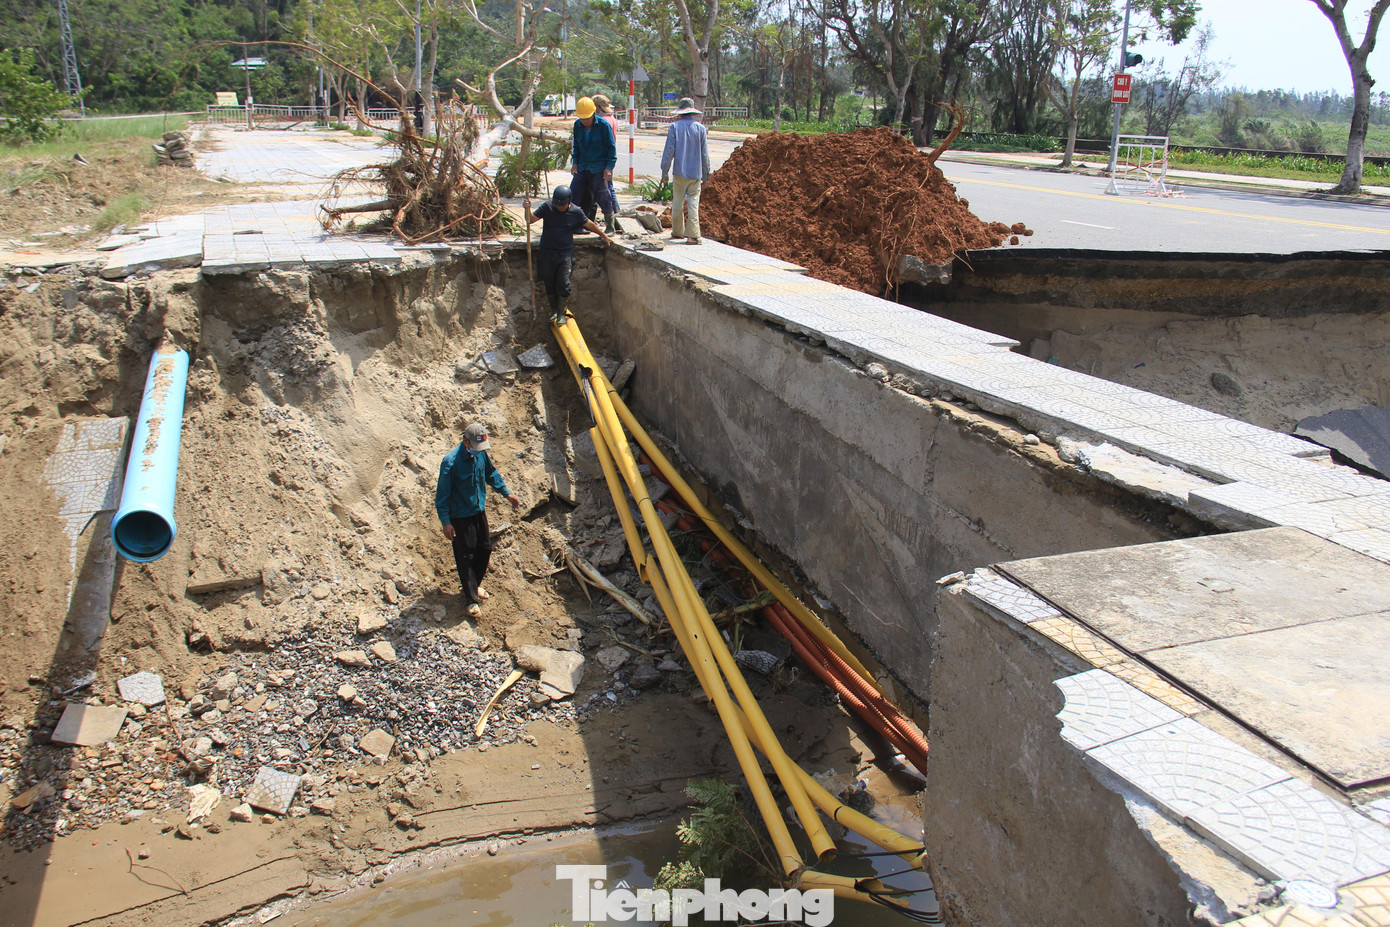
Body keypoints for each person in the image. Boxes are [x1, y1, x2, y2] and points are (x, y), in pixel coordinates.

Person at [436, 422, 521, 618]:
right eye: (476, 448)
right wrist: (446, 522)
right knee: (465, 556)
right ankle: (470, 600)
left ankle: (475, 586)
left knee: (484, 549)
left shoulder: (480, 454)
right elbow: (442, 496)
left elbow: (491, 473)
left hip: (478, 510)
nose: (479, 452)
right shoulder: (450, 462)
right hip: (460, 516)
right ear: (466, 442)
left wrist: (507, 494)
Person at [524, 185, 612, 325]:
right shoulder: (547, 207)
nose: (560, 207)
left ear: (569, 202)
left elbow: (588, 223)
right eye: (557, 205)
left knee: (564, 282)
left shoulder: (575, 211)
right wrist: (527, 208)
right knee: (549, 280)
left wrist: (602, 235)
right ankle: (553, 309)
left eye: (563, 205)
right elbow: (530, 220)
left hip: (565, 253)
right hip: (547, 252)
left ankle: (561, 312)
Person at [660, 97, 711, 245]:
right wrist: (706, 175)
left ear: (680, 113)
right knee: (693, 203)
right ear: (692, 113)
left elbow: (669, 151)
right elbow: (704, 154)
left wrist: (665, 172)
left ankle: (677, 232)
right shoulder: (701, 129)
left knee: (677, 202)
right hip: (696, 174)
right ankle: (693, 236)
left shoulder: (674, 127)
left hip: (679, 173)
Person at [569, 96, 617, 236]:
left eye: (587, 118)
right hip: (583, 166)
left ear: (594, 113)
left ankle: (610, 226)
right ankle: (575, 224)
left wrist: (609, 167)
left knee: (603, 196)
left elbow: (611, 148)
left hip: (598, 167)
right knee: (574, 195)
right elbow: (576, 147)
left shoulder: (603, 126)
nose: (585, 121)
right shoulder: (577, 126)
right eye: (582, 118)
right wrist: (575, 163)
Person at [591, 94, 623, 234]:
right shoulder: (612, 119)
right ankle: (615, 218)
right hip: (608, 159)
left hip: (603, 160)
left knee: (606, 191)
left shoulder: (603, 122)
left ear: (597, 107)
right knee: (609, 188)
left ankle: (613, 220)